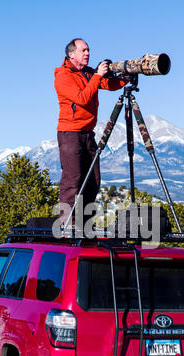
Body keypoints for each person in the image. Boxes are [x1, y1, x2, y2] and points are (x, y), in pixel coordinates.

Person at [54, 38, 128, 226]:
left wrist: (126, 77)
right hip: (70, 133)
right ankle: (67, 226)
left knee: (93, 180)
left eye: (88, 50)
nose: (87, 53)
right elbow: (82, 98)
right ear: (71, 54)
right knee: (73, 180)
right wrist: (97, 76)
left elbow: (107, 85)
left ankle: (84, 225)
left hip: (87, 133)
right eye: (83, 50)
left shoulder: (88, 73)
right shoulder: (63, 75)